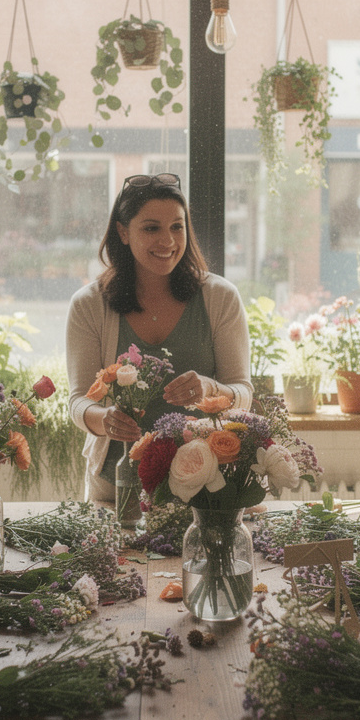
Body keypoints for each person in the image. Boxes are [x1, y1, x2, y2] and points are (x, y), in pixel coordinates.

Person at [67, 173, 252, 502]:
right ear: (123, 232)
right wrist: (103, 419)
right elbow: (79, 401)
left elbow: (243, 393)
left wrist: (212, 389)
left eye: (176, 227)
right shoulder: (88, 305)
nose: (167, 241)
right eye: (151, 228)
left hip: (204, 486)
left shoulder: (221, 297)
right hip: (116, 489)